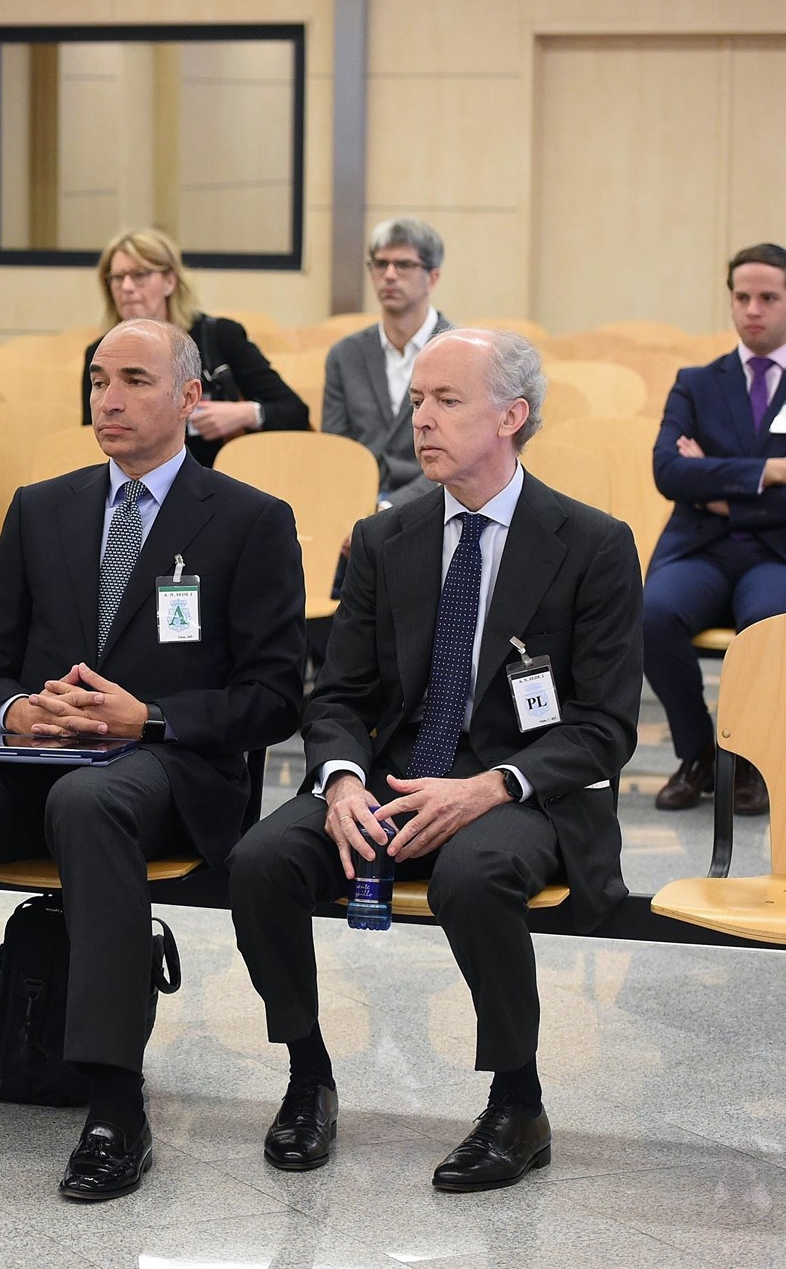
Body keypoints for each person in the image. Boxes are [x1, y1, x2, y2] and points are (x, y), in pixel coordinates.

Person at [0, 320, 306, 1201]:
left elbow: (272, 698)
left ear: (190, 398)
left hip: (172, 769)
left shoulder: (252, 522)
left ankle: (116, 1103)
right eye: (98, 380)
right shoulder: (44, 507)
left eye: (134, 381)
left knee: (92, 805)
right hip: (43, 761)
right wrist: (16, 710)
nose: (107, 399)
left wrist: (147, 718)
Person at [228, 329, 643, 1194]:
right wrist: (340, 780)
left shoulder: (593, 543)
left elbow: (605, 727)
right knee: (261, 861)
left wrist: (491, 787)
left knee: (473, 875)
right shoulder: (386, 539)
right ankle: (308, 1077)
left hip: (522, 788)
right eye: (417, 400)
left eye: (446, 401)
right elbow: (338, 696)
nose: (421, 419)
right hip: (395, 774)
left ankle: (517, 1103)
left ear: (512, 416)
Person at [644, 242, 786, 816]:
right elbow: (670, 471)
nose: (752, 309)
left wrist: (722, 496)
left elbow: (696, 476)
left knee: (768, 625)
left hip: (781, 556)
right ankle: (700, 755)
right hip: (699, 550)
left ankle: (755, 763)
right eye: (742, 297)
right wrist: (776, 471)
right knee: (652, 613)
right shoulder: (696, 382)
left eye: (768, 297)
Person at [81, 228, 307, 465]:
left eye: (140, 274)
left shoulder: (219, 336)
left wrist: (244, 414)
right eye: (117, 277)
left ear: (170, 281)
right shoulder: (99, 354)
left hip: (216, 479)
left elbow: (294, 412)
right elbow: (90, 440)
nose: (126, 287)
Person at [324, 217, 454, 506]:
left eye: (404, 265)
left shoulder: (461, 356)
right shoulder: (345, 355)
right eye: (380, 264)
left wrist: (390, 507)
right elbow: (339, 450)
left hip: (435, 504)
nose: (389, 275)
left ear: (432, 277)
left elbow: (461, 457)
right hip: (355, 504)